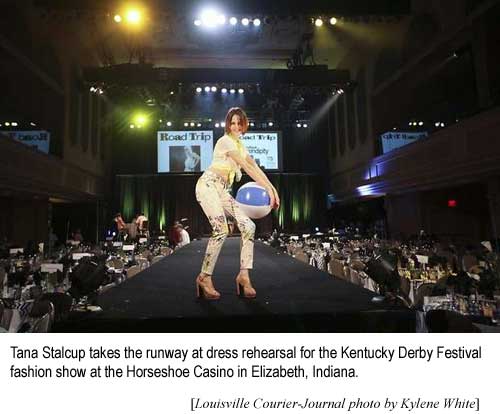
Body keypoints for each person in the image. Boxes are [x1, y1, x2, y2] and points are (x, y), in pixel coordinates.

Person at [195, 107, 280, 300]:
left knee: (248, 226)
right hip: (208, 185)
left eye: (239, 123)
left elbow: (254, 166)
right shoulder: (225, 141)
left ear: (244, 125)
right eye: (232, 123)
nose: (235, 127)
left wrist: (272, 189)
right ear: (228, 125)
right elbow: (247, 168)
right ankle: (204, 277)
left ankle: (244, 275)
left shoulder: (241, 146)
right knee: (221, 230)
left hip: (222, 190)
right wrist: (268, 189)